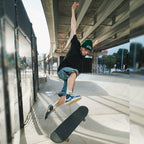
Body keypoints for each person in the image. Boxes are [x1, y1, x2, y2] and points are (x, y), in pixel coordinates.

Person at [44, 2, 99, 120]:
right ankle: (69, 95)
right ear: (81, 47)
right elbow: (73, 27)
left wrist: (94, 44)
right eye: (84, 51)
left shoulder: (84, 53)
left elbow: (89, 48)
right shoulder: (75, 44)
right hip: (63, 71)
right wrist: (73, 10)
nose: (85, 53)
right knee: (74, 72)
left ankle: (52, 107)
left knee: (63, 97)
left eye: (87, 53)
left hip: (68, 77)